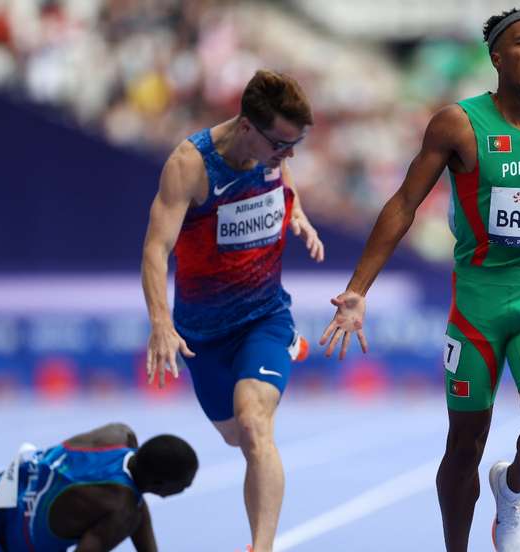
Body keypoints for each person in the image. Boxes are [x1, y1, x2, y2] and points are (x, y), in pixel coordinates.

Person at [319, 9, 520, 552]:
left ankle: (510, 489)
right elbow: (403, 205)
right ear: (496, 56)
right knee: (464, 446)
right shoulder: (458, 124)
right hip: (475, 309)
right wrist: (357, 290)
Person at [141, 69, 322, 552]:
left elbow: (281, 177)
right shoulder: (191, 165)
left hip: (264, 315)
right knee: (234, 436)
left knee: (254, 423)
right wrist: (160, 323)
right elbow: (156, 250)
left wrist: (296, 210)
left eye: (295, 144)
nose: (289, 155)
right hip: (203, 333)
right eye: (282, 144)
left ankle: (259, 547)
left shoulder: (272, 150)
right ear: (247, 127)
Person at [0, 423, 197, 552]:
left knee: (37, 502)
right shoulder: (121, 512)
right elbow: (131, 510)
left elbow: (133, 501)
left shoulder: (119, 435)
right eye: (182, 486)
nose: (184, 490)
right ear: (160, 485)